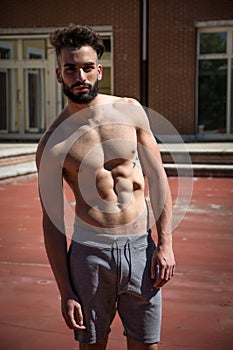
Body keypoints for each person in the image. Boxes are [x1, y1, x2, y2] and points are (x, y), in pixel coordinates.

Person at [36, 24, 176, 350]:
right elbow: (52, 222)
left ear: (99, 70)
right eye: (71, 69)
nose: (80, 75)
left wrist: (165, 243)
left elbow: (157, 179)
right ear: (60, 75)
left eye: (87, 67)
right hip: (90, 256)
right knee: (92, 346)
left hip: (142, 250)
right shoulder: (53, 145)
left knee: (147, 345)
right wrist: (65, 291)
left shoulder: (130, 111)